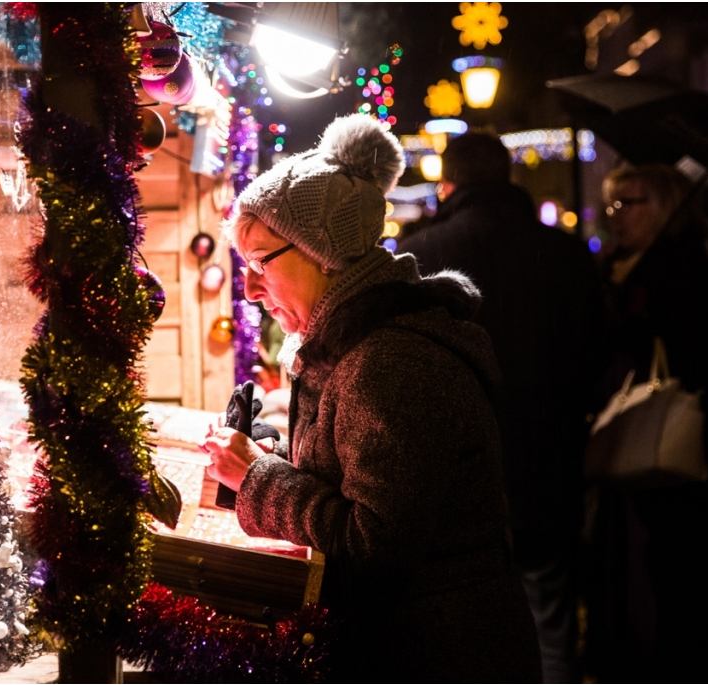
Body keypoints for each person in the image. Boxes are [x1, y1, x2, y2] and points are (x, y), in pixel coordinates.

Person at [202, 114, 541, 682]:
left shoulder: (389, 361)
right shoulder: (350, 346)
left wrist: (260, 480)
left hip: (442, 654)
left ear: (323, 253)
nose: (251, 290)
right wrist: (274, 457)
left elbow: (375, 546)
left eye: (261, 263)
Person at [398, 133, 605, 683]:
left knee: (466, 632)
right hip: (550, 456)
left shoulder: (425, 253)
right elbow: (594, 356)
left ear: (448, 183)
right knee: (551, 619)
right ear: (508, 178)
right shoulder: (564, 253)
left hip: (456, 469)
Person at [586, 164, 708, 682]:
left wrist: (635, 302)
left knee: (677, 567)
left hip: (676, 435)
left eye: (632, 203)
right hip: (637, 433)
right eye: (614, 204)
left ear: (667, 206)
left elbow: (694, 349)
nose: (619, 216)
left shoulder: (685, 267)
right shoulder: (626, 265)